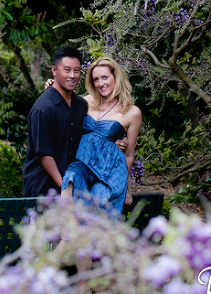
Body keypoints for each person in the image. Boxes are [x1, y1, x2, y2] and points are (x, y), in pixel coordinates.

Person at [60, 55, 142, 216]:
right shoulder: (88, 101)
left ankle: (94, 238)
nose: (100, 83)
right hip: (84, 163)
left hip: (109, 172)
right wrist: (52, 85)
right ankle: (67, 234)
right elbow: (62, 103)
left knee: (99, 197)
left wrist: (126, 188)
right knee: (71, 176)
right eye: (96, 79)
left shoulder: (132, 112)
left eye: (105, 77)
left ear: (116, 77)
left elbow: (129, 155)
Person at [23, 47, 88, 198]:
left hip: (73, 189)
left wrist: (119, 140)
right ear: (54, 70)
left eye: (77, 70)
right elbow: (44, 154)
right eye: (67, 70)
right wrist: (65, 186)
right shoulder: (43, 108)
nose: (72, 75)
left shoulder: (81, 105)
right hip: (43, 190)